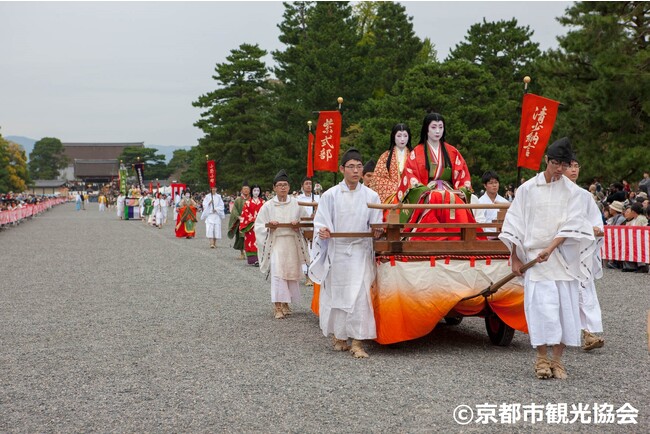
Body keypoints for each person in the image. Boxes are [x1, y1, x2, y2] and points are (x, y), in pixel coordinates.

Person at [499, 137, 598, 380]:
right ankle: (541, 358)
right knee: (543, 309)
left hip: (562, 259)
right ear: (547, 160)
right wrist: (515, 257)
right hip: (535, 257)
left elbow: (573, 223)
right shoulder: (527, 189)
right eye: (555, 164)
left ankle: (557, 361)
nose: (559, 169)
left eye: (564, 165)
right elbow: (514, 224)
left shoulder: (574, 192)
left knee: (565, 309)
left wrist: (552, 247)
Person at [309, 148, 383, 358]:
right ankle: (340, 336)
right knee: (338, 294)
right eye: (351, 166)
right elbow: (320, 222)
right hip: (338, 251)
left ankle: (358, 342)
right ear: (342, 169)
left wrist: (377, 231)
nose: (355, 170)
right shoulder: (330, 195)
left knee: (360, 296)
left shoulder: (371, 196)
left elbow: (376, 224)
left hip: (360, 251)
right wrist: (322, 231)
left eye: (359, 166)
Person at [395, 112, 475, 238]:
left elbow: (462, 175)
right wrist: (424, 190)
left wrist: (462, 190)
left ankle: (462, 239)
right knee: (435, 199)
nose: (437, 131)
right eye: (433, 127)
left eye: (440, 127)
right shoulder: (417, 152)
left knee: (455, 204)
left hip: (450, 192)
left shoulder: (453, 152)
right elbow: (410, 176)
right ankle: (433, 237)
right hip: (427, 192)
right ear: (426, 129)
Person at [254, 170, 310, 319]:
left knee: (291, 273)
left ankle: (286, 303)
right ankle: (277, 306)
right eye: (279, 185)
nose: (283, 188)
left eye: (285, 185)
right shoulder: (268, 206)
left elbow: (307, 223)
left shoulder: (297, 204)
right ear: (274, 188)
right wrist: (269, 227)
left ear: (289, 187)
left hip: (292, 242)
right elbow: (258, 226)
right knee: (278, 272)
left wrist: (298, 225)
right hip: (277, 241)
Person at [565, 156, 606, 351]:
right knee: (565, 291)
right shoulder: (555, 193)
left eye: (576, 166)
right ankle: (563, 332)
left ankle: (589, 332)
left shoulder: (584, 195)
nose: (574, 170)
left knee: (585, 288)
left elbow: (595, 219)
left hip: (582, 249)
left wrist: (596, 228)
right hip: (562, 249)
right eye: (570, 166)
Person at [371, 123, 413, 203]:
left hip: (410, 193)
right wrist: (397, 188)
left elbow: (420, 175)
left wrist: (407, 188)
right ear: (393, 137)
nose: (402, 139)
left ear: (409, 137)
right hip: (392, 195)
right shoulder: (385, 156)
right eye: (399, 136)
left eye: (405, 136)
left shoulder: (414, 156)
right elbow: (378, 178)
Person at [621, 202, 649, 273]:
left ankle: (642, 265)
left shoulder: (641, 219)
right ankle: (631, 265)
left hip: (642, 239)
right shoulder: (635, 219)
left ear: (633, 212)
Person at [239, 185, 264, 263]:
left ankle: (261, 259)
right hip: (250, 226)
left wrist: (260, 220)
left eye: (258, 191)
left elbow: (265, 213)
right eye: (254, 191)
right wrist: (253, 219)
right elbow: (245, 213)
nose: (256, 192)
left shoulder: (263, 202)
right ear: (251, 191)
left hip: (261, 225)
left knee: (261, 240)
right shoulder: (247, 202)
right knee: (251, 241)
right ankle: (253, 259)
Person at [227, 182, 250, 259]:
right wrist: (238, 216)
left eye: (247, 189)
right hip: (241, 221)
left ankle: (249, 253)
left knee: (249, 237)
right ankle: (242, 252)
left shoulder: (252, 199)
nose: (246, 191)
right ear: (241, 190)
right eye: (244, 189)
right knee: (240, 237)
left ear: (250, 190)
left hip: (250, 221)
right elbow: (234, 210)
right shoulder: (238, 200)